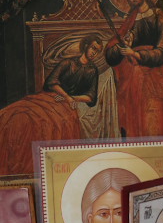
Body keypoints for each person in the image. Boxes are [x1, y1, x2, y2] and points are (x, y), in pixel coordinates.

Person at [0, 34, 102, 175]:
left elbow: (91, 98)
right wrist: (65, 95)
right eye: (93, 48)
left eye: (97, 51)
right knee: (20, 112)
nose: (94, 53)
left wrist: (72, 98)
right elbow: (51, 82)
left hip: (67, 105)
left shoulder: (92, 71)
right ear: (85, 46)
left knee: (49, 123)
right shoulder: (68, 63)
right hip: (52, 97)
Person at [105, 0, 163, 137]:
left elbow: (161, 53)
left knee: (153, 127)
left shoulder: (160, 16)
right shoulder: (130, 22)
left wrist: (135, 54)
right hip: (134, 86)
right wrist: (123, 45)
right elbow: (110, 56)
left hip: (155, 83)